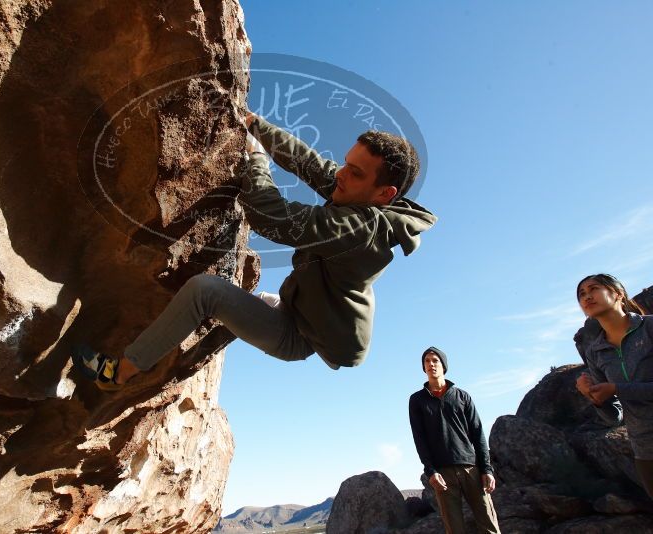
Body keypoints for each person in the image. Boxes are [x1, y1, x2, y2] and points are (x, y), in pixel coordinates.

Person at [73, 111, 437, 390]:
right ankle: (241, 320)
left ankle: (119, 373)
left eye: (355, 172)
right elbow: (310, 163)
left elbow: (269, 215)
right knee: (260, 299)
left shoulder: (360, 230)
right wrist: (256, 125)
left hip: (304, 336)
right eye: (346, 162)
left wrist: (257, 161)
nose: (341, 174)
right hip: (300, 308)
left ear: (384, 194)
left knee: (206, 291)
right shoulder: (357, 190)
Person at [574, 274, 653, 498]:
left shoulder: (649, 328)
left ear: (618, 293)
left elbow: (617, 390)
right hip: (645, 453)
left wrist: (617, 388)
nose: (587, 296)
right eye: (581, 294)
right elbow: (614, 417)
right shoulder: (595, 352)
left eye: (593, 289)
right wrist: (595, 399)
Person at [409, 347, 500, 534]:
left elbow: (478, 434)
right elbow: (420, 439)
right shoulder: (417, 400)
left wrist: (486, 469)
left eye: (435, 360)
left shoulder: (462, 396)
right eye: (427, 361)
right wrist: (431, 471)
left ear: (444, 366)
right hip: (442, 473)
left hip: (471, 469)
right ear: (423, 368)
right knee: (454, 529)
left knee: (489, 525)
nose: (431, 364)